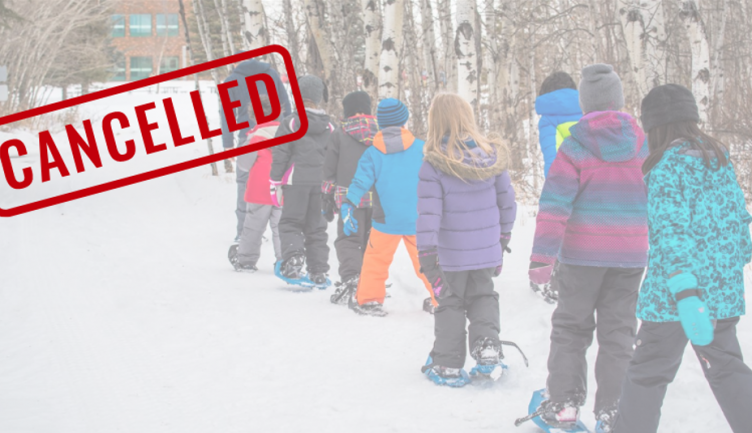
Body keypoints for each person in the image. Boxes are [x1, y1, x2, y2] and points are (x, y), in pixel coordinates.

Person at [612, 84, 752, 433]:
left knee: (647, 374)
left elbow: (671, 232)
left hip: (674, 297)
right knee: (727, 369)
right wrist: (727, 273)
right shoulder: (719, 159)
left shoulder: (666, 168)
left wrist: (686, 292)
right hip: (720, 292)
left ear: (655, 127)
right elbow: (740, 223)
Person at [524, 64, 649, 433]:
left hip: (581, 257)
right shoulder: (642, 143)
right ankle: (614, 413)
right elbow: (656, 197)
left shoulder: (575, 145)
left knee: (571, 327)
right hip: (630, 256)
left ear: (585, 103)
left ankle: (564, 404)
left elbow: (554, 206)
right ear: (619, 100)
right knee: (619, 333)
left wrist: (541, 259)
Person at [416, 93, 518, 387]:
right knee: (483, 296)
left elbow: (429, 215)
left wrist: (427, 255)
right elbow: (507, 204)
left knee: (450, 302)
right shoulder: (491, 158)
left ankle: (447, 364)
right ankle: (487, 348)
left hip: (451, 255)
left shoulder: (434, 165)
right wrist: (502, 239)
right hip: (486, 251)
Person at [341, 98, 437, 316]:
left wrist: (349, 203)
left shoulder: (373, 153)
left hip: (386, 220)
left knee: (375, 262)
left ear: (380, 123)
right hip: (418, 219)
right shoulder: (422, 149)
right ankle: (442, 299)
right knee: (428, 262)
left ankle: (369, 301)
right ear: (404, 121)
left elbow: (360, 182)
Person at [270, 75, 333, 287]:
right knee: (317, 227)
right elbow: (334, 157)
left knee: (290, 222)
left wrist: (274, 182)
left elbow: (280, 154)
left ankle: (294, 260)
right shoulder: (330, 126)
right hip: (320, 184)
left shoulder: (290, 123)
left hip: (295, 182)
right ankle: (318, 271)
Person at [220, 57, 292, 243]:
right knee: (280, 180)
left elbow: (227, 114)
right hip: (276, 135)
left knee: (245, 184)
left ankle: (244, 233)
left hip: (248, 137)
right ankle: (282, 233)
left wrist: (227, 143)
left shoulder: (231, 80)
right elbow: (286, 104)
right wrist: (289, 132)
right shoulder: (271, 74)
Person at [322, 91, 380, 304]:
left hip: (350, 198)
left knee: (349, 239)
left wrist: (327, 194)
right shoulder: (383, 133)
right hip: (379, 199)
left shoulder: (339, 134)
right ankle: (370, 281)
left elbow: (329, 169)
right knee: (372, 241)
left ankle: (352, 279)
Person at [227, 94, 282, 272]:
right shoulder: (289, 135)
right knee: (281, 227)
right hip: (283, 189)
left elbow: (243, 165)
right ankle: (285, 260)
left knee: (253, 227)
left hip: (259, 190)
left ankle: (246, 261)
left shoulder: (254, 138)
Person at [535, 71, 583, 178]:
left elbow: (553, 162)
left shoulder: (548, 120)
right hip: (597, 181)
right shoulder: (587, 113)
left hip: (568, 183)